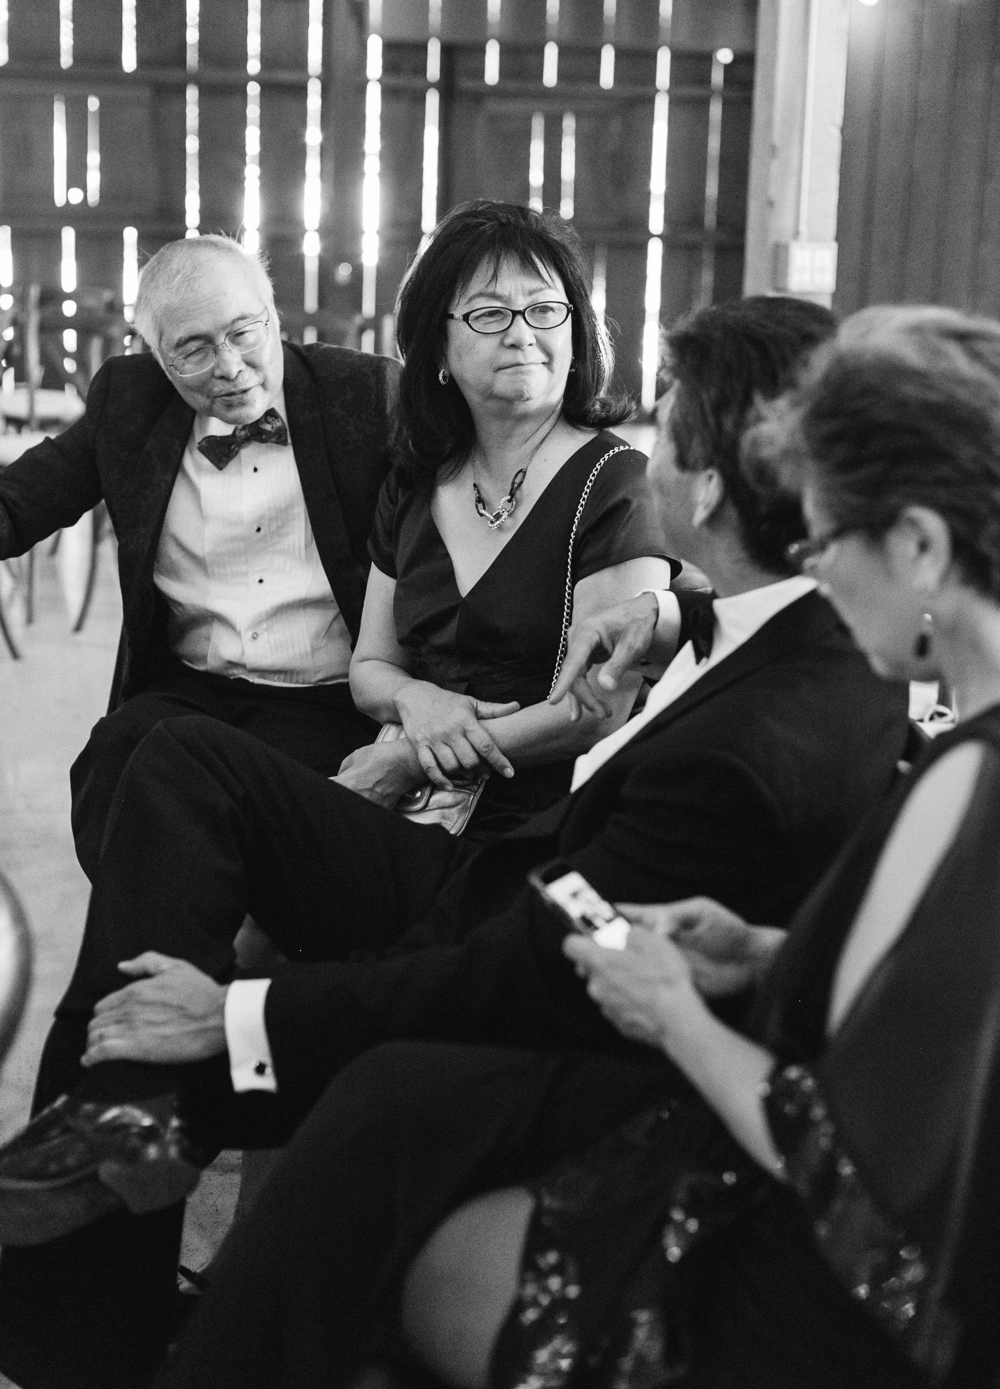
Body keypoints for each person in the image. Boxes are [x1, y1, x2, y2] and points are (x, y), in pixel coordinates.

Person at [0, 296, 911, 1389]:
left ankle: (128, 1190)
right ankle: (115, 1125)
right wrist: (672, 612)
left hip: (531, 904)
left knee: (335, 1080)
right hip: (480, 852)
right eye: (485, 314)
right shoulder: (783, 621)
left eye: (666, 427)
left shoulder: (744, 716)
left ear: (710, 486)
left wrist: (238, 1014)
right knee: (166, 752)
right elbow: (397, 663)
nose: (520, 337)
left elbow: (541, 950)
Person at [0, 235, 396, 878]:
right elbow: (21, 501)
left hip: (327, 700)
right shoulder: (128, 403)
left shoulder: (364, 393)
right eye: (194, 349)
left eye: (244, 332)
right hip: (189, 689)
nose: (230, 366)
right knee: (117, 765)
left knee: (253, 850)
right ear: (157, 355)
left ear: (272, 315)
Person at [338, 199, 677, 840]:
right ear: (437, 345)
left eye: (544, 310)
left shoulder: (618, 482)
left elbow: (597, 709)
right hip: (412, 801)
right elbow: (371, 666)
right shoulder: (413, 480)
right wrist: (417, 699)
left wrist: (415, 758)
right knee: (187, 754)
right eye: (490, 314)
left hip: (541, 813)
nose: (521, 334)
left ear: (576, 334)